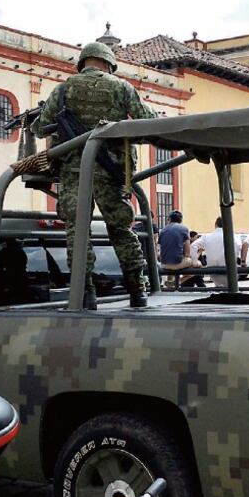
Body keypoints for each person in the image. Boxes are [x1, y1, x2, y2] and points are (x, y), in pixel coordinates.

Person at [36, 41, 155, 309]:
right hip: (112, 172)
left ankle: (86, 294)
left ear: (83, 62)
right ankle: (138, 292)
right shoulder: (122, 87)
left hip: (75, 173)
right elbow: (146, 120)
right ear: (108, 63)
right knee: (122, 231)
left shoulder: (65, 88)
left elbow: (42, 127)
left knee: (77, 233)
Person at [158, 211, 201, 287]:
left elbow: (161, 247)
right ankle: (178, 281)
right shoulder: (184, 229)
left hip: (164, 263)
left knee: (172, 263)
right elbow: (188, 252)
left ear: (169, 219)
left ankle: (169, 283)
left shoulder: (162, 230)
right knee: (197, 264)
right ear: (181, 220)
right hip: (178, 263)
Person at [192, 217, 231, 287]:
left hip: (212, 269)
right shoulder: (233, 236)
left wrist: (194, 260)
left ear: (215, 224)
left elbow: (193, 246)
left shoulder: (207, 236)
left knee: (218, 287)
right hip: (229, 268)